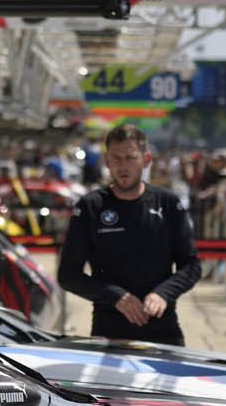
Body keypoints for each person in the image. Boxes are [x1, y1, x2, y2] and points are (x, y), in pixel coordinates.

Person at [56, 122, 203, 345]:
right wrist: (116, 297)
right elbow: (68, 275)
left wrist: (163, 294)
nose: (123, 166)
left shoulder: (168, 203)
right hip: (110, 330)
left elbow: (191, 265)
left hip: (162, 329)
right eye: (116, 158)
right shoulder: (90, 207)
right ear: (107, 162)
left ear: (145, 160)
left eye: (130, 158)